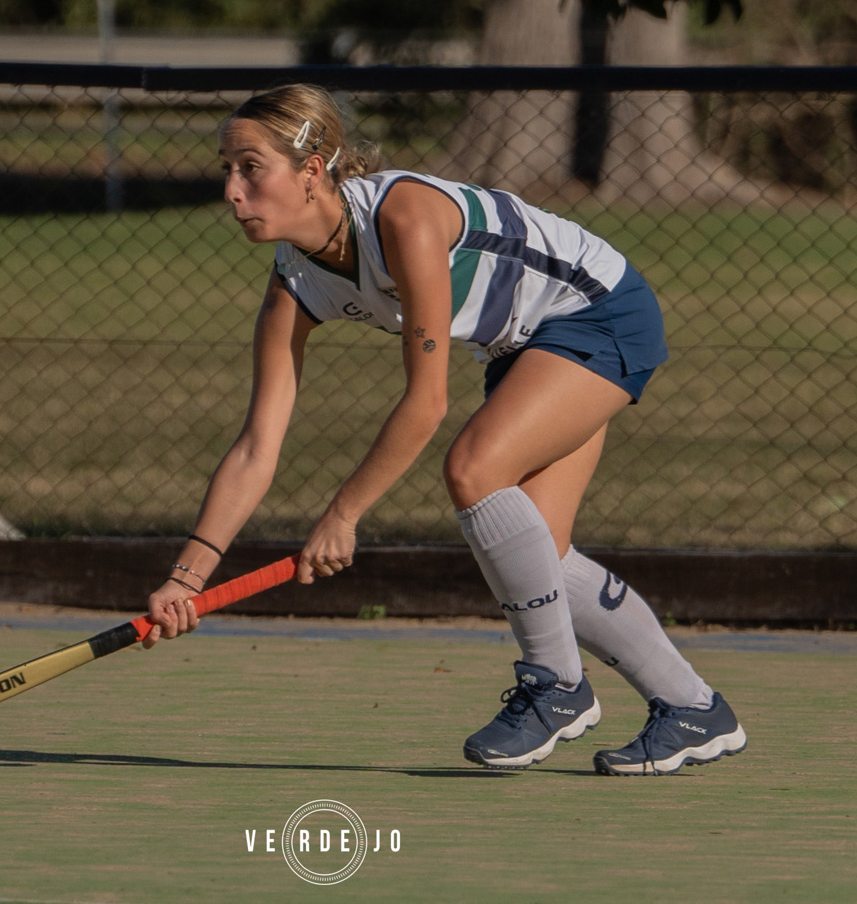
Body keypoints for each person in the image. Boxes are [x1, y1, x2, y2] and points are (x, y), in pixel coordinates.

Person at [143, 84, 746, 775]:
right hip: (524, 346)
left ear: (311, 172)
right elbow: (257, 445)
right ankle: (692, 709)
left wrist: (343, 514)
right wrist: (186, 579)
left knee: (472, 469)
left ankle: (557, 688)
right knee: (540, 556)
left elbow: (426, 402)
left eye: (250, 167)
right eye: (226, 168)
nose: (231, 189)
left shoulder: (405, 218)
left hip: (598, 312)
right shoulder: (294, 282)